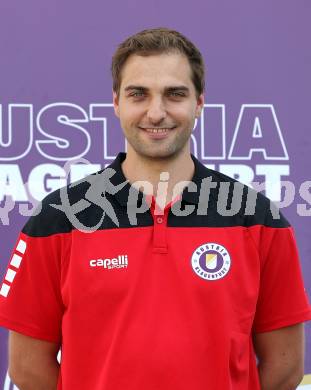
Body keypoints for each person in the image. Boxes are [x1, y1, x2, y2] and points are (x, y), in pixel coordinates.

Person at [0, 27, 310, 390]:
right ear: (117, 102)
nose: (156, 112)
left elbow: (285, 366)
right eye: (138, 94)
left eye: (175, 94)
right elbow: (27, 367)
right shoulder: (59, 217)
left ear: (199, 103)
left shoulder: (257, 218)